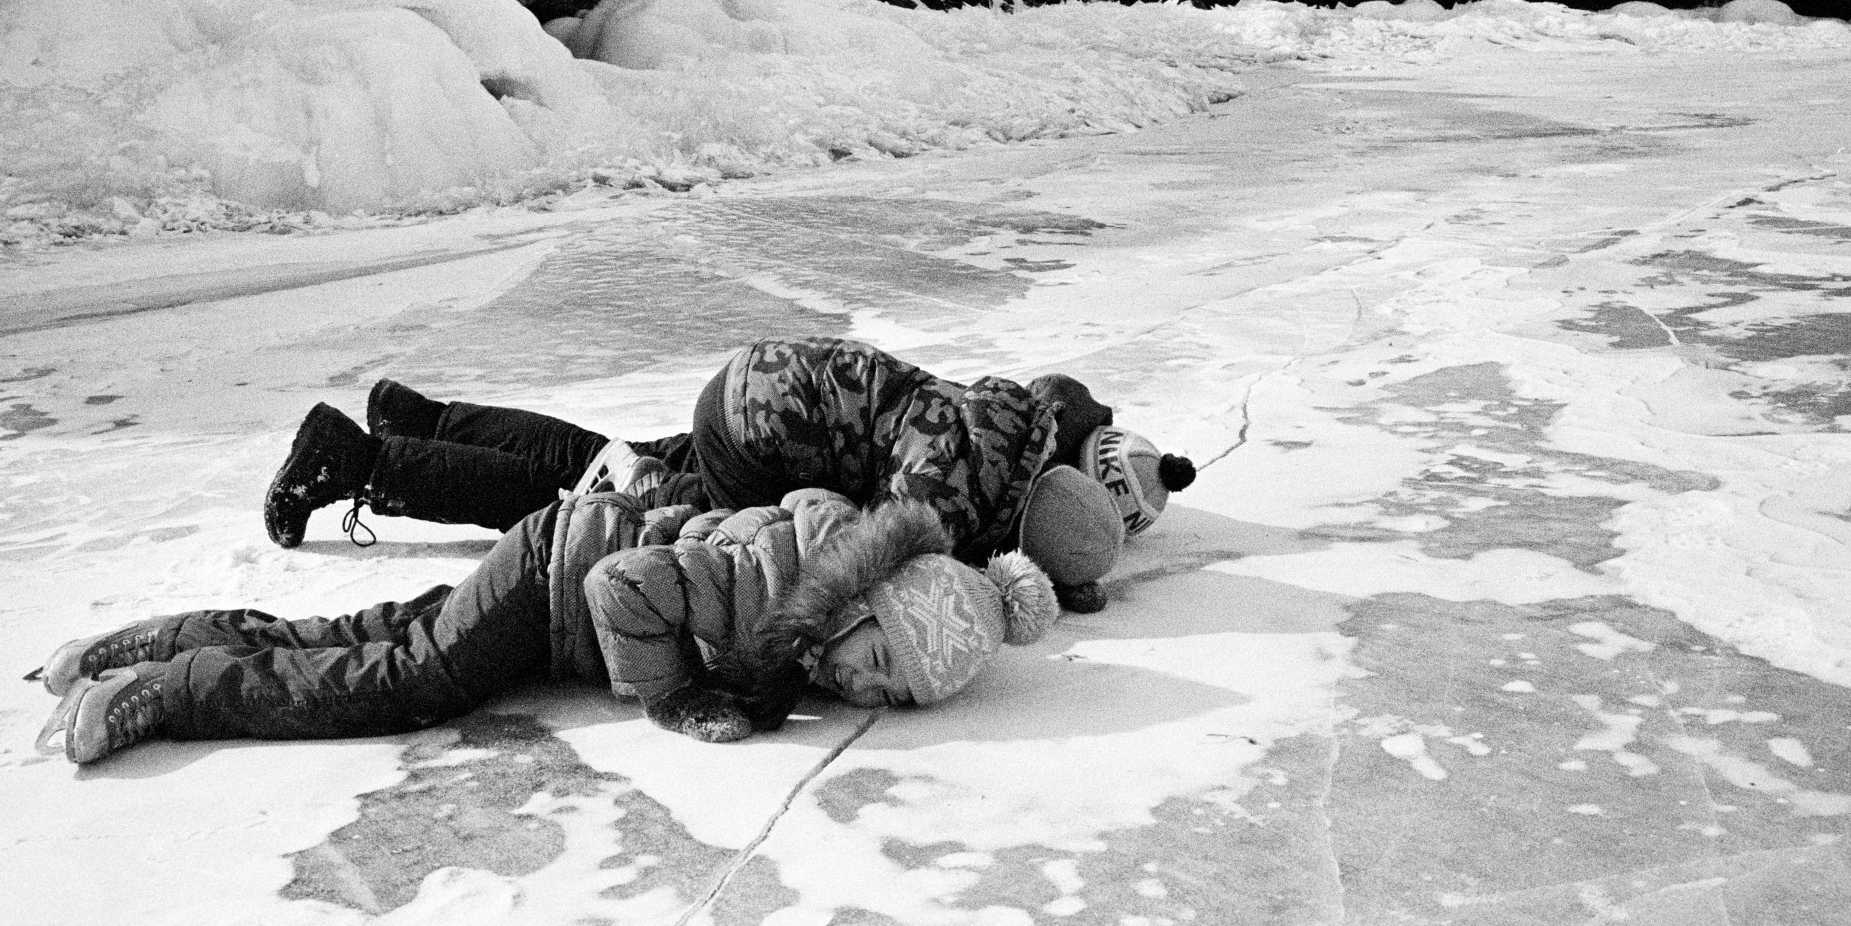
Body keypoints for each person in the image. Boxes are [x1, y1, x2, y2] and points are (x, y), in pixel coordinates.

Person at [33, 486, 1058, 766]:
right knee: (406, 681)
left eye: (890, 693)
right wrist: (674, 696)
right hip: (558, 576)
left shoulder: (806, 615)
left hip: (553, 563)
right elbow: (624, 585)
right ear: (860, 602)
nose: (865, 689)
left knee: (375, 630)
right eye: (878, 660)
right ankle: (167, 694)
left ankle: (167, 637)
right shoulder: (767, 585)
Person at [262, 337, 1197, 612]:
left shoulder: (1018, 411)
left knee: (610, 461)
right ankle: (363, 463)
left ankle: (420, 422)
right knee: (609, 507)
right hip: (765, 437)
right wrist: (1012, 580)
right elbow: (884, 560)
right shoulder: (961, 485)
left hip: (768, 391)